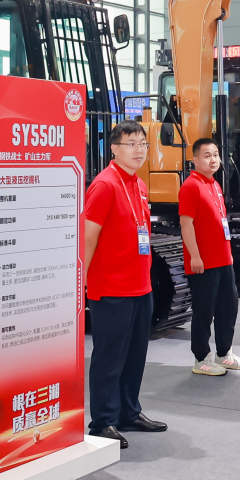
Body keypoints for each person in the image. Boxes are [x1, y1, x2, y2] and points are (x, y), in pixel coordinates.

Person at [82, 120, 167, 449]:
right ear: (114, 149)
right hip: (111, 287)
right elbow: (88, 237)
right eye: (131, 144)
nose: (138, 150)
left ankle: (128, 412)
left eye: (142, 144)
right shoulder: (104, 185)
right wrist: (81, 281)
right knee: (109, 356)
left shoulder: (139, 184)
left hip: (140, 286)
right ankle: (102, 421)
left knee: (134, 355)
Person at [179, 137, 240, 376]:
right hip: (203, 262)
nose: (213, 159)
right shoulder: (191, 186)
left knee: (228, 307)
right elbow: (186, 224)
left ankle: (224, 354)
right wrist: (195, 256)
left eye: (216, 155)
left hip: (223, 260)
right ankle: (201, 359)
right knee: (204, 311)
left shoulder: (215, 185)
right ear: (195, 160)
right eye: (207, 156)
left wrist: (228, 254)